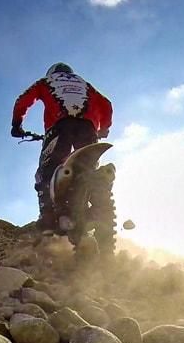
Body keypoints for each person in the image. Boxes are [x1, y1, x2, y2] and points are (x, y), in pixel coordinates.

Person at [11, 62, 113, 232]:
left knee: (45, 171)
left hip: (59, 128)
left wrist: (17, 125)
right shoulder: (85, 85)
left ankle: (48, 218)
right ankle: (98, 201)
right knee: (89, 167)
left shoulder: (46, 81)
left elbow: (23, 100)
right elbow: (107, 104)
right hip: (88, 129)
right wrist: (104, 128)